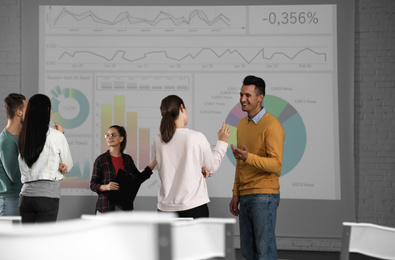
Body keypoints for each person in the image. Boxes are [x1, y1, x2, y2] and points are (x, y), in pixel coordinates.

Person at [229, 75, 285, 260]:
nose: (242, 99)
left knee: (264, 254)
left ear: (260, 98)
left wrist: (248, 157)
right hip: (245, 196)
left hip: (264, 196)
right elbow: (240, 163)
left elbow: (276, 166)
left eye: (248, 95)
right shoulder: (241, 125)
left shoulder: (272, 125)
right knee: (248, 253)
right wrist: (236, 193)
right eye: (241, 94)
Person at [154, 95, 230, 218]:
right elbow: (211, 168)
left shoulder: (158, 139)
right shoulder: (196, 137)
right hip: (193, 208)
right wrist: (221, 142)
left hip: (165, 210)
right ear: (182, 108)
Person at [18, 94, 73, 223]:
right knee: (43, 241)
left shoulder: (23, 136)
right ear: (47, 110)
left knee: (26, 241)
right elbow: (68, 165)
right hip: (48, 196)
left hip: (25, 196)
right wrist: (61, 134)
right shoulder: (56, 136)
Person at [90, 125, 156, 213]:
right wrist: (106, 187)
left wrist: (154, 162)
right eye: (107, 135)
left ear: (121, 138)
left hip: (124, 208)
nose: (109, 137)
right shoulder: (101, 160)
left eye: (113, 135)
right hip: (105, 208)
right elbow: (93, 184)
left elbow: (138, 179)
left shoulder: (127, 159)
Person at [0, 93, 27, 216]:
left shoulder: (19, 137)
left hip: (17, 199)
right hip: (9, 201)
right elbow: (15, 177)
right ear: (19, 112)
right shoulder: (6, 140)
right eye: (27, 109)